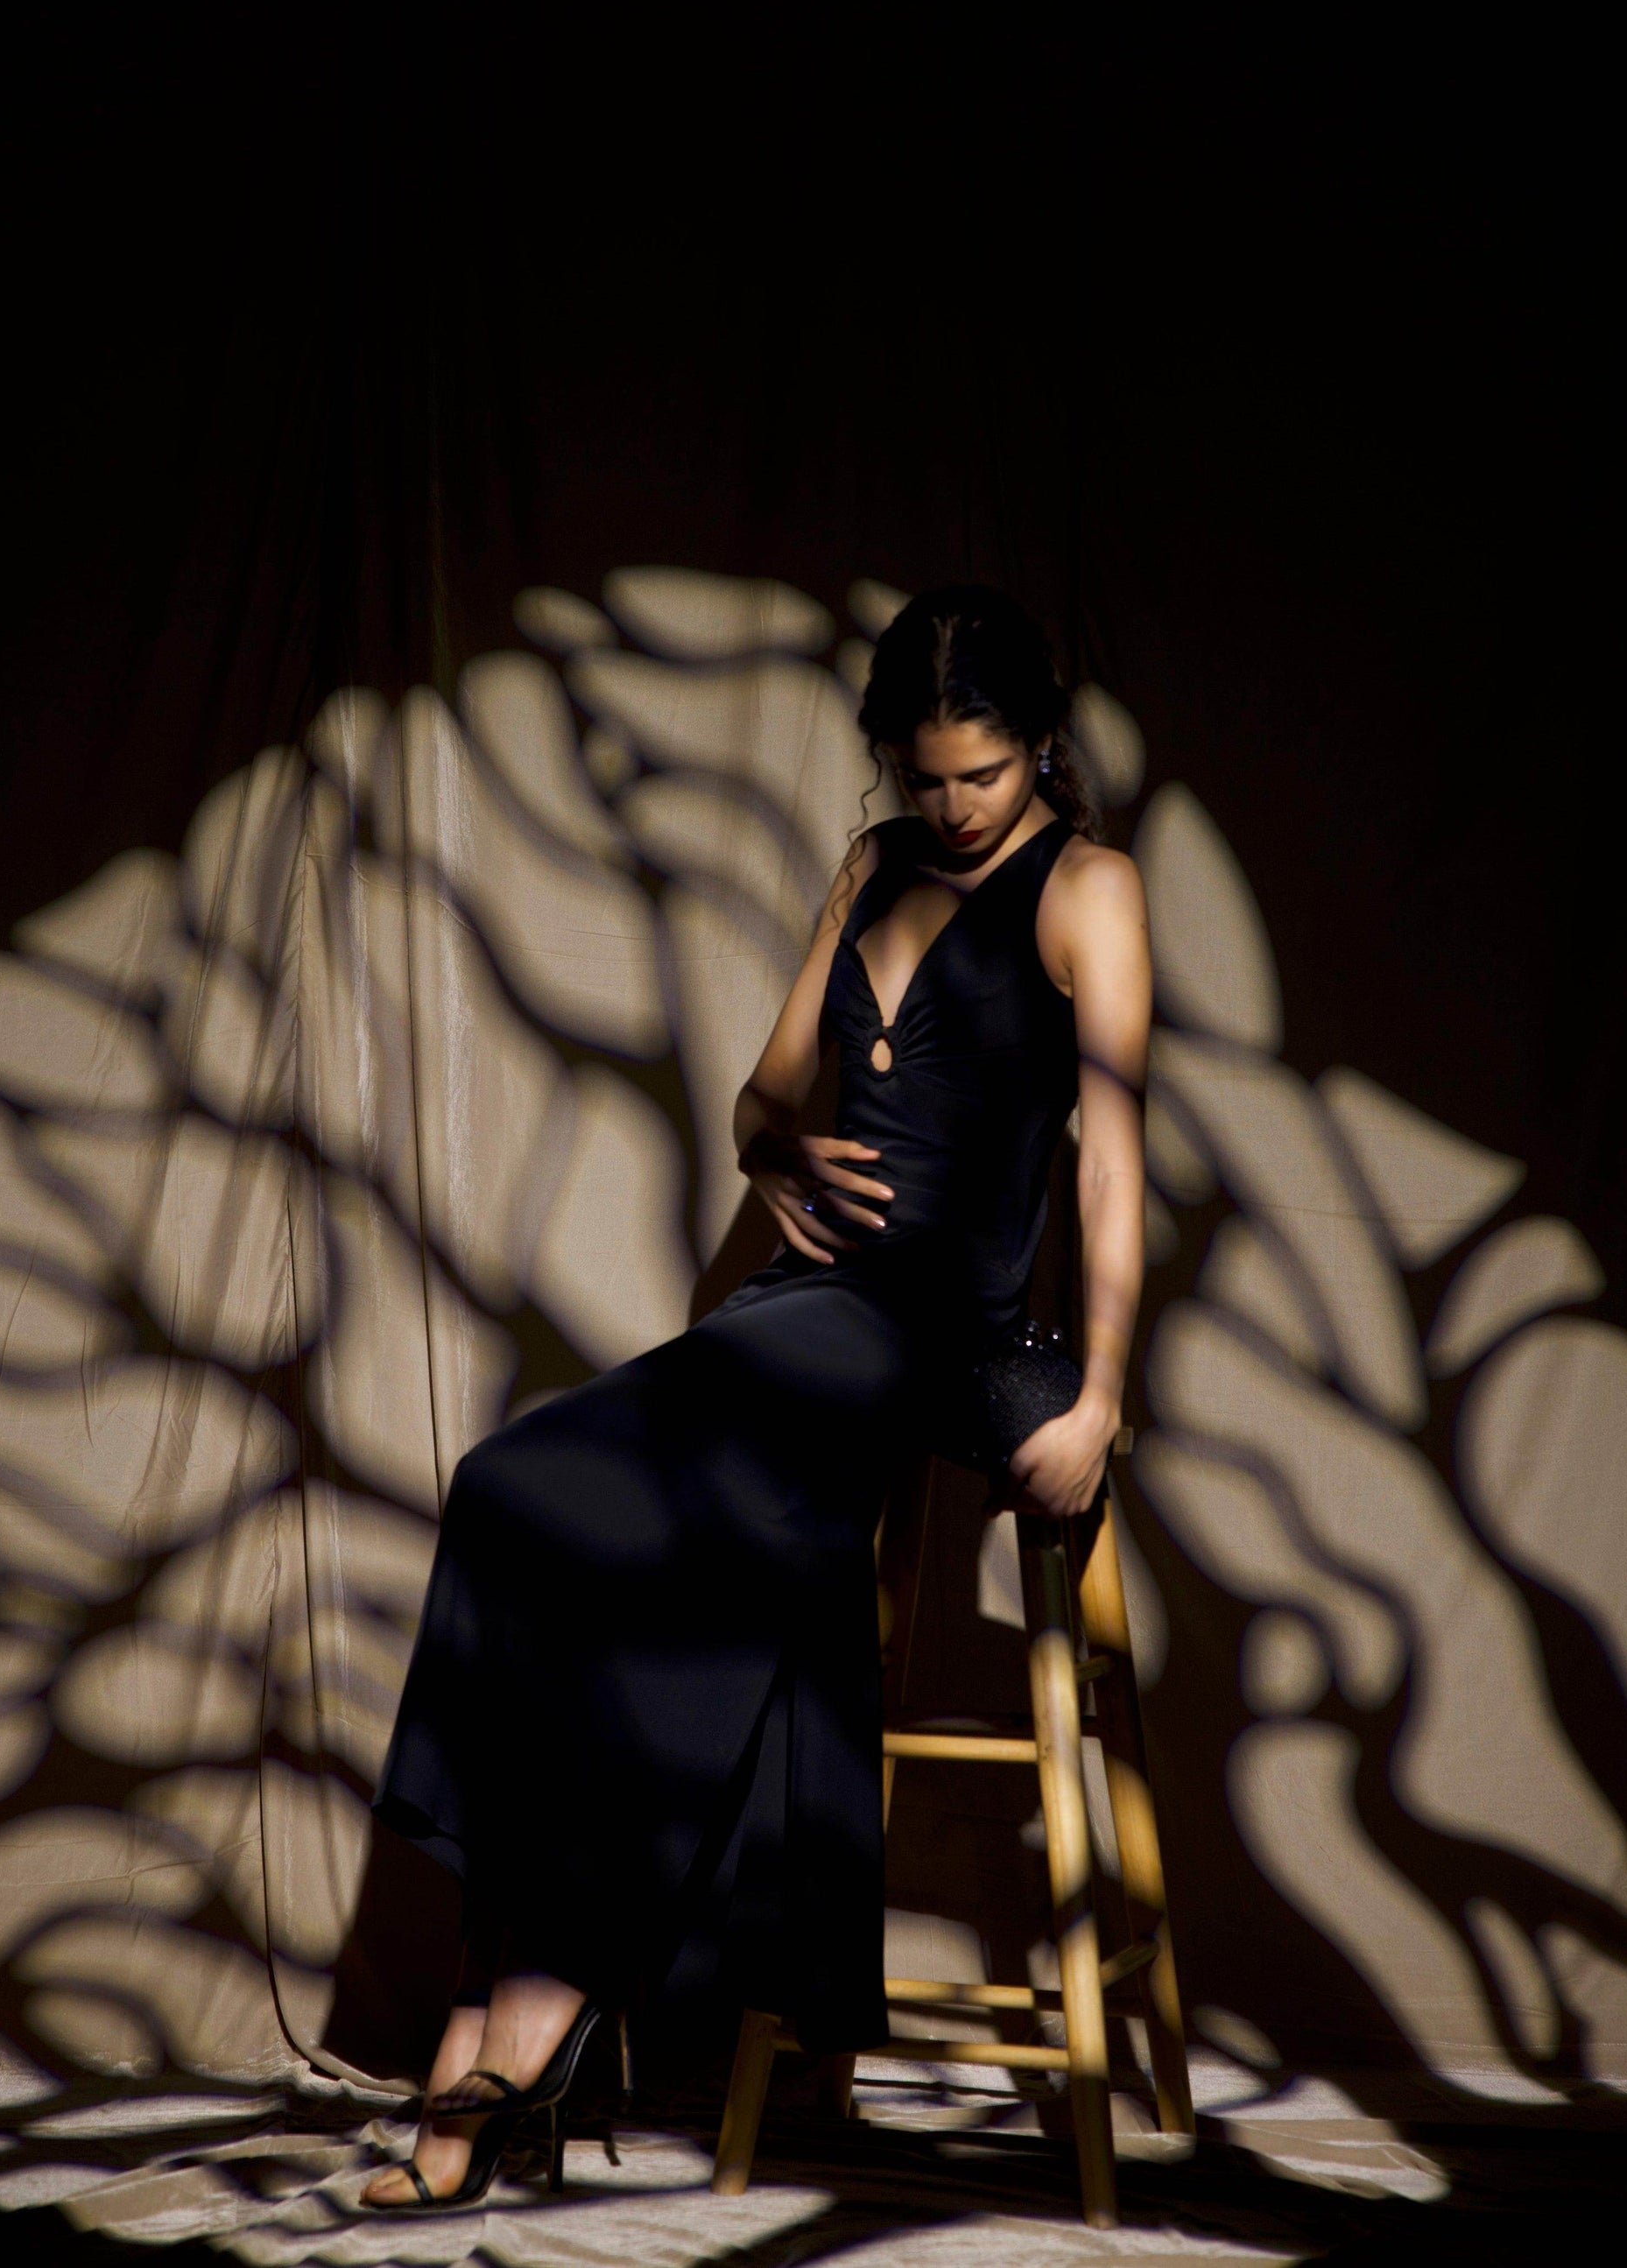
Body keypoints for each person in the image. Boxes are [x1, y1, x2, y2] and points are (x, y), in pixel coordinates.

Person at [362, 585, 1152, 2208]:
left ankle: (534, 2003)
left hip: (941, 1330)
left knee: (679, 1524)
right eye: (921, 774)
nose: (952, 806)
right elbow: (758, 1098)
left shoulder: (1089, 888)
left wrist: (1100, 1400)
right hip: (802, 1311)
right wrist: (775, 1153)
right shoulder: (871, 867)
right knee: (513, 1486)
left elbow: (1114, 1170)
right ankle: (498, 1983)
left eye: (983, 773)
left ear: (1037, 748)